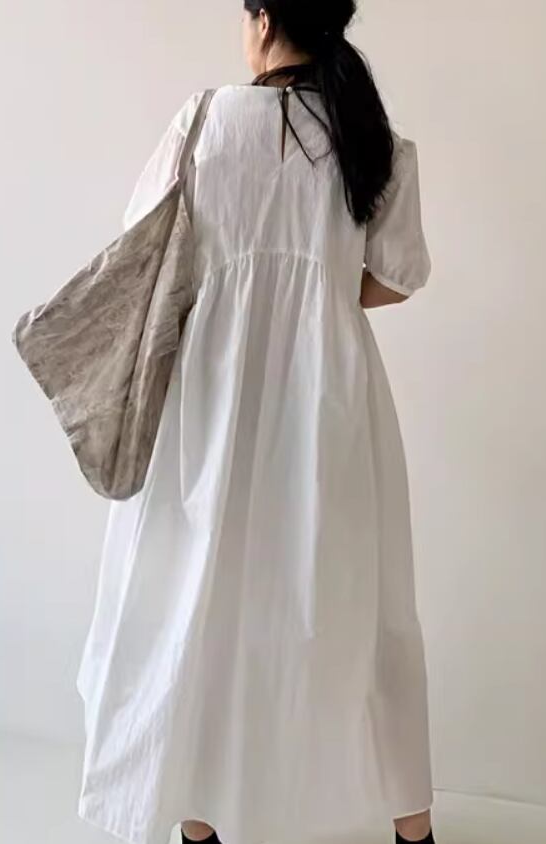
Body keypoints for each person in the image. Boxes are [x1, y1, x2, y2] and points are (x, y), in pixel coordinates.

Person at [74, 2, 435, 843]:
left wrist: (244, 289)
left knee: (196, 590)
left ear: (263, 19)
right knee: (361, 601)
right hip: (331, 391)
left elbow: (142, 246)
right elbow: (395, 277)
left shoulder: (201, 121)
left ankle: (199, 826)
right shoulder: (376, 143)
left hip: (209, 391)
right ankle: (412, 829)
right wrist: (314, 290)